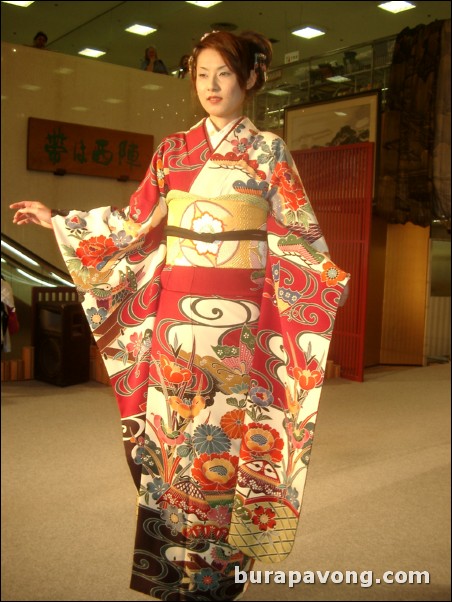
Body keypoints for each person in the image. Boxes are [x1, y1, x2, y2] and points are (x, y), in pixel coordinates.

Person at [11, 30, 349, 601]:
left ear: (248, 79)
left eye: (223, 74)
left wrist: (320, 283)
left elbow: (299, 239)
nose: (212, 86)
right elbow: (133, 222)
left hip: (237, 328)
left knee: (222, 444)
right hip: (173, 323)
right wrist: (60, 220)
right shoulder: (173, 152)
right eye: (201, 75)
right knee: (174, 443)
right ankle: (175, 565)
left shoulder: (268, 152)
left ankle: (217, 576)